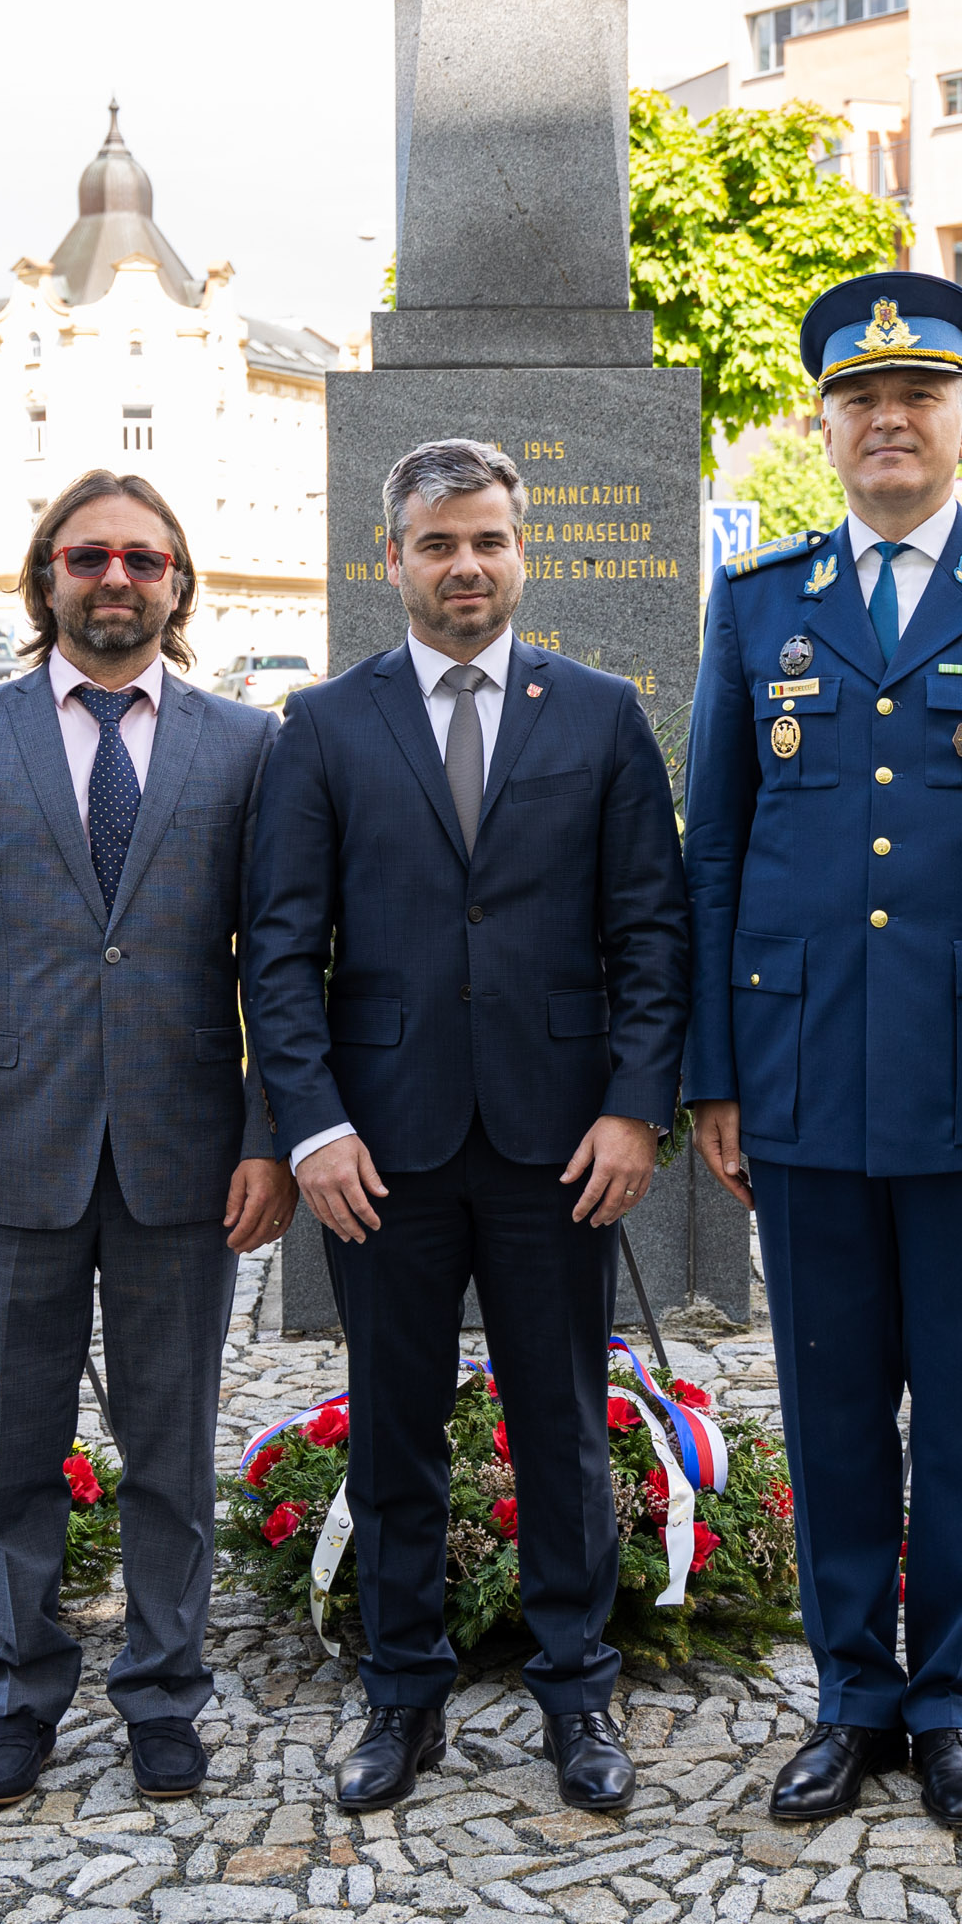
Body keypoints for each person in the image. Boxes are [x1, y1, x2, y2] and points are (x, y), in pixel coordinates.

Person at [682, 272, 962, 1828]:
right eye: (858, 400)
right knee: (826, 1396)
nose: (888, 421)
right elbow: (716, 857)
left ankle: (953, 1700)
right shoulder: (759, 607)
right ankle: (849, 1694)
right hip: (803, 1077)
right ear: (822, 426)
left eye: (917, 397)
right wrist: (713, 1074)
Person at [244, 437, 689, 1814]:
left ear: (521, 547)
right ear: (393, 558)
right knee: (395, 1429)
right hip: (382, 1150)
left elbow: (650, 930)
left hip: (560, 1141)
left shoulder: (600, 713)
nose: (466, 566)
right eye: (438, 544)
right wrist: (311, 1126)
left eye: (489, 539)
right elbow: (281, 949)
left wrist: (633, 1107)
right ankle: (403, 1693)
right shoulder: (322, 724)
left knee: (562, 1421)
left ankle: (576, 1689)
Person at [0, 469, 298, 1810]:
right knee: (12, 1449)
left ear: (180, 585)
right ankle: (19, 1692)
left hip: (189, 1155)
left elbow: (283, 958)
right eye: (88, 555)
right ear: (43, 574)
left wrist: (273, 1132)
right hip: (8, 1147)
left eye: (144, 559)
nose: (116, 578)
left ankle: (166, 1695)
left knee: (173, 1449)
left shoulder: (246, 745)